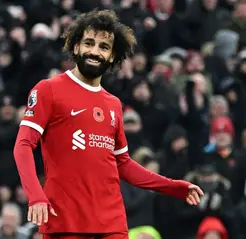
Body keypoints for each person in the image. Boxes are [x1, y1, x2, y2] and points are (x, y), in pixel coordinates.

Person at [13, 9, 204, 239]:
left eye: (104, 47)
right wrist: (36, 196)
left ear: (113, 56)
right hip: (66, 219)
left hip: (111, 220)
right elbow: (23, 145)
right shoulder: (48, 90)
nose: (95, 51)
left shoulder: (113, 104)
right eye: (89, 43)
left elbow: (123, 163)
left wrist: (174, 187)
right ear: (75, 47)